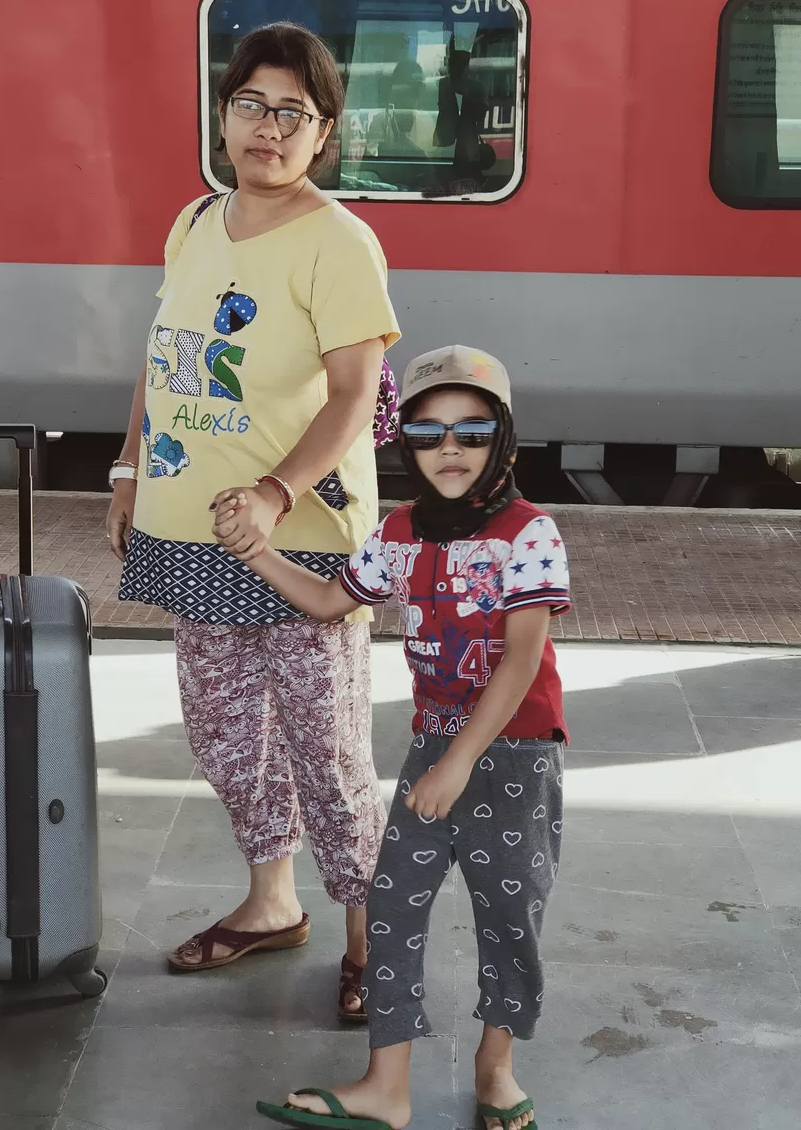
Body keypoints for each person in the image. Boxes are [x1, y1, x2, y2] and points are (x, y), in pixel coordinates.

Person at [105, 22, 400, 1022]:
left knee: (330, 749)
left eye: (293, 113)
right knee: (227, 734)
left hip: (298, 537)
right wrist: (128, 469)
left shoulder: (339, 240)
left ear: (323, 135)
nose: (268, 128)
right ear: (222, 115)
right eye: (251, 105)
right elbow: (163, 358)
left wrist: (275, 492)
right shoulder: (194, 222)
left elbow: (356, 394)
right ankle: (273, 901)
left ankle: (370, 934)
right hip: (192, 530)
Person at [214, 346, 571, 1130]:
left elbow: (520, 663)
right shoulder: (398, 530)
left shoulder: (529, 533)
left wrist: (456, 763)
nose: (450, 449)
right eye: (428, 430)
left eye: (472, 431)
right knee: (392, 906)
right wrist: (258, 551)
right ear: (404, 439)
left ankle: (496, 1065)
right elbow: (327, 600)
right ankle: (386, 1084)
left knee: (509, 913)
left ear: (503, 439)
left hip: (512, 751)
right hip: (436, 744)